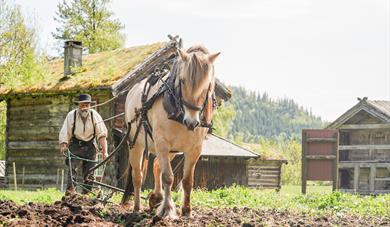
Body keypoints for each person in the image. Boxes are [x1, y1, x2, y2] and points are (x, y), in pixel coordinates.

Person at [59, 94, 108, 193]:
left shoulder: (95, 115)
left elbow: (102, 134)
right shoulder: (71, 115)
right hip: (76, 145)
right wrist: (64, 144)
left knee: (90, 172)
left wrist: (105, 151)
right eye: (82, 105)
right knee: (72, 170)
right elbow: (65, 131)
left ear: (90, 105)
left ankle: (87, 194)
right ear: (78, 105)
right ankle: (70, 193)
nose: (84, 107)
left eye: (87, 105)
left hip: (90, 146)